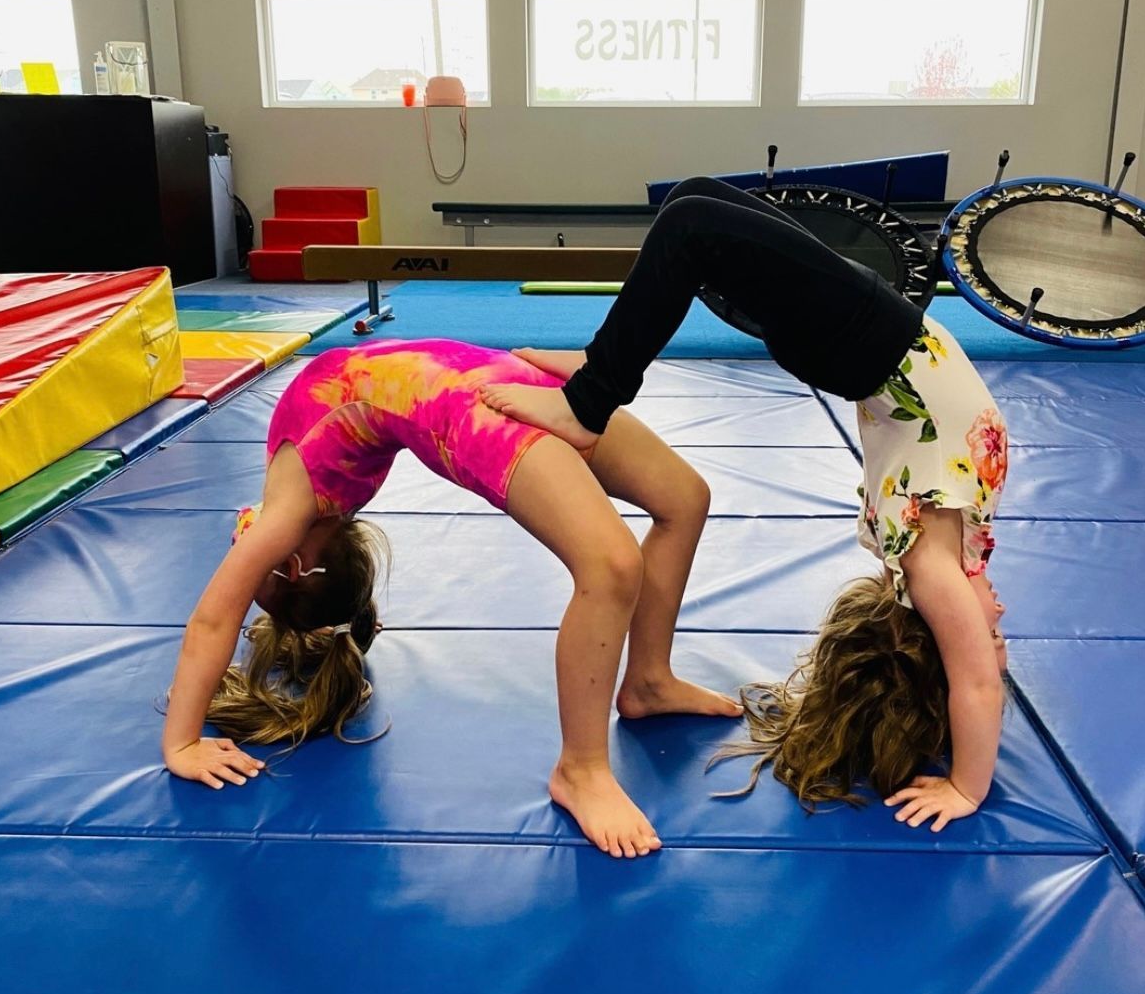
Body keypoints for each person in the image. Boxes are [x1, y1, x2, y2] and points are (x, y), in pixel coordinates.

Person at [480, 178, 1010, 833]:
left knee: (693, 228)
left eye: (991, 633)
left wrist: (966, 788)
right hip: (877, 336)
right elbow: (980, 663)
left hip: (869, 344)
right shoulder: (965, 546)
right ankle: (601, 360)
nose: (1000, 617)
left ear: (934, 630)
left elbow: (978, 684)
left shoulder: (931, 569)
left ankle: (591, 399)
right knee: (693, 198)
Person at [161, 337, 741, 858]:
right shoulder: (291, 517)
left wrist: (183, 739)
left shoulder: (298, 505)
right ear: (294, 565)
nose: (242, 538)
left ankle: (647, 681)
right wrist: (184, 744)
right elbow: (215, 622)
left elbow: (215, 620)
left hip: (494, 380)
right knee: (611, 565)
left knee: (683, 498)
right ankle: (581, 769)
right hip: (470, 401)